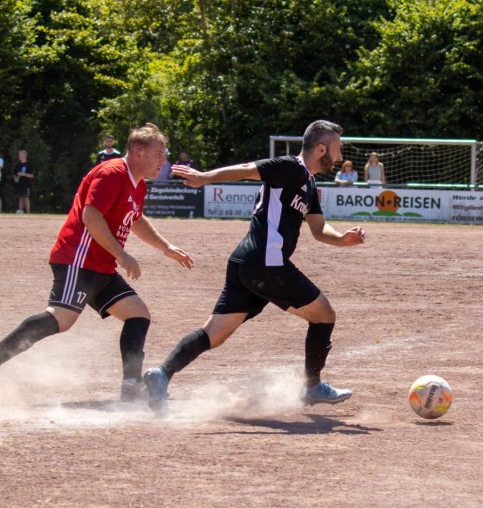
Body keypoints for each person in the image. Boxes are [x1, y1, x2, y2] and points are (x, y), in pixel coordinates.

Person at [143, 120, 365, 415]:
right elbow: (249, 169)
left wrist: (344, 240)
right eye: (337, 149)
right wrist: (204, 177)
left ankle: (161, 373)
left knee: (215, 334)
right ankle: (312, 387)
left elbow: (319, 230)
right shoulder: (291, 167)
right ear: (321, 148)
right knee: (324, 315)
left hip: (247, 263)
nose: (339, 157)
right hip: (265, 262)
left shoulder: (309, 184)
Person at [0, 123, 194, 400]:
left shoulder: (137, 184)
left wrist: (165, 247)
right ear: (138, 151)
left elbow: (134, 218)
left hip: (100, 265)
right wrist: (121, 254)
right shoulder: (111, 173)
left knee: (138, 315)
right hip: (78, 258)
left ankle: (131, 386)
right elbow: (91, 216)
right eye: (159, 154)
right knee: (61, 319)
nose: (164, 160)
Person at [13, 149, 34, 214]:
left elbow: (31, 175)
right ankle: (20, 211)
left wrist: (23, 174)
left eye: (21, 155)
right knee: (20, 198)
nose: (19, 156)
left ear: (25, 155)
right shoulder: (18, 165)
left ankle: (28, 212)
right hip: (19, 184)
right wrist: (16, 179)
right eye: (19, 155)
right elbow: (15, 174)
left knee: (26, 197)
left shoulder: (29, 165)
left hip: (26, 184)